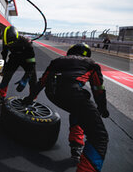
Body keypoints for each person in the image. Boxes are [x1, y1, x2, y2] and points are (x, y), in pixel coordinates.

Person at [22, 43, 109, 171]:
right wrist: (102, 108)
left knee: (78, 109)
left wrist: (29, 99)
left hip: (52, 94)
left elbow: (42, 81)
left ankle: (76, 144)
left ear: (70, 52)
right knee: (99, 136)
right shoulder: (92, 64)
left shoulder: (57, 61)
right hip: (73, 94)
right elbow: (98, 89)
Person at [0, 26, 37, 108]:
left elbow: (32, 64)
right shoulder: (7, 41)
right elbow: (4, 53)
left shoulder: (27, 43)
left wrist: (25, 79)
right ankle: (2, 97)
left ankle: (32, 99)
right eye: (8, 44)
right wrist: (5, 66)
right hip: (14, 58)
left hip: (26, 59)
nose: (11, 45)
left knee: (33, 79)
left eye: (12, 44)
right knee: (6, 77)